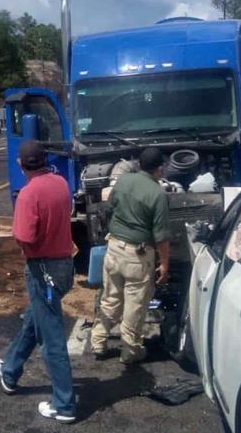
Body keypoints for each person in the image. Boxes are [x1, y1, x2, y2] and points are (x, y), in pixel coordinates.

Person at [0, 140, 77, 423]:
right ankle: (10, 372)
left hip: (43, 270)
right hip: (64, 264)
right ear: (44, 160)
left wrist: (28, 252)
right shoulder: (60, 183)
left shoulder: (28, 194)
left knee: (52, 338)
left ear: (20, 164)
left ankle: (64, 404)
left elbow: (25, 237)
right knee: (34, 320)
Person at [90, 147, 170, 364]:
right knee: (135, 305)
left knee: (110, 299)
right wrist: (164, 264)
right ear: (159, 169)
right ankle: (130, 351)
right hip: (138, 257)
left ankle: (97, 341)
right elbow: (161, 236)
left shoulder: (123, 182)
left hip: (114, 249)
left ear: (138, 165)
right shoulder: (157, 194)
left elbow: (110, 208)